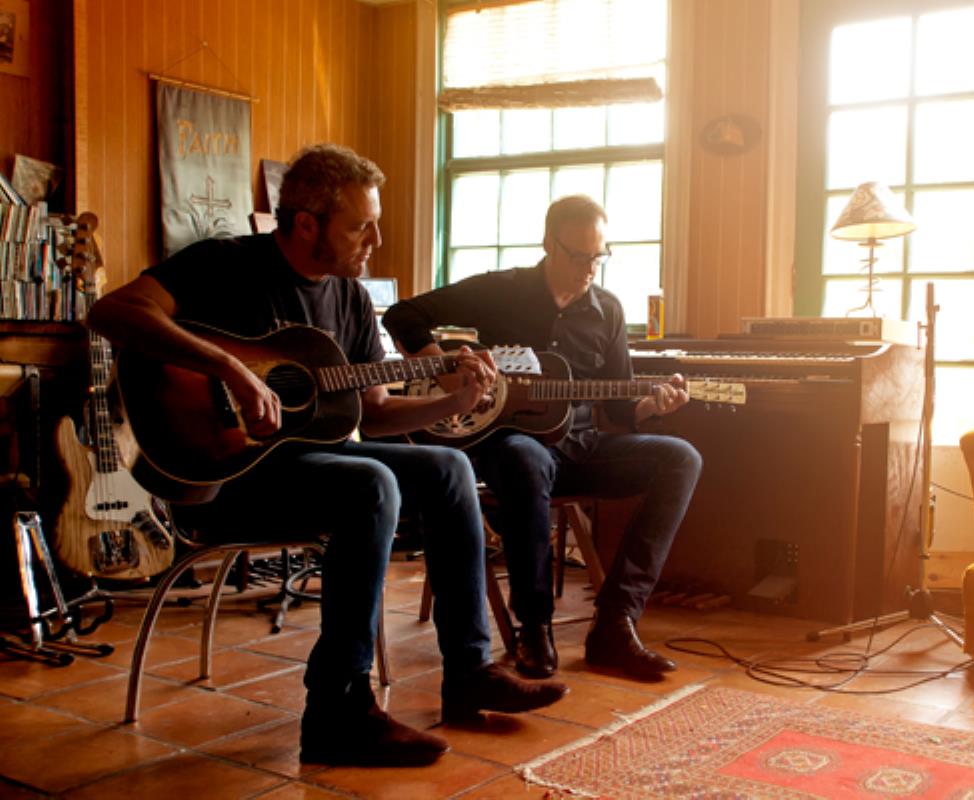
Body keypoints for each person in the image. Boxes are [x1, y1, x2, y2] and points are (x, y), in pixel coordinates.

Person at [86, 144, 567, 768]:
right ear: (307, 223)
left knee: (448, 468)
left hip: (316, 469)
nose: (376, 239)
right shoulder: (223, 264)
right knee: (370, 483)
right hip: (226, 478)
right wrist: (229, 369)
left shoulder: (350, 298)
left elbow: (375, 413)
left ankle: (470, 672)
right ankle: (338, 710)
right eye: (360, 225)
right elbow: (111, 311)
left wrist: (452, 400)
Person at [384, 195, 702, 681]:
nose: (589, 268)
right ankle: (534, 627)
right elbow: (403, 314)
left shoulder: (607, 310)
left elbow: (620, 409)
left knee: (682, 459)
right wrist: (446, 368)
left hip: (582, 449)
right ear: (549, 244)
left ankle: (616, 622)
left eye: (599, 256)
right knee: (523, 457)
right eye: (579, 256)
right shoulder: (501, 290)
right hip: (511, 452)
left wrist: (652, 406)